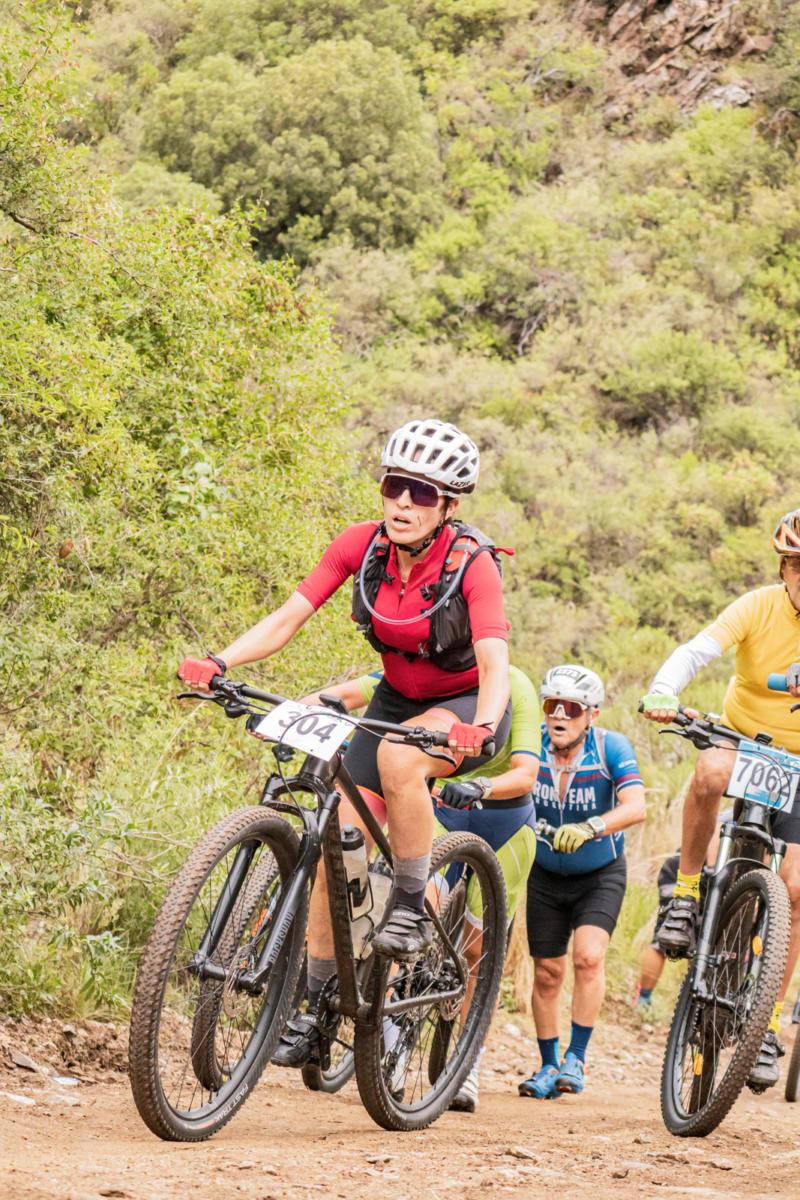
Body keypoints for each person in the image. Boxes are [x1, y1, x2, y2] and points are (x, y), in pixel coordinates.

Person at [178, 418, 512, 1068]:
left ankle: (410, 905)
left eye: (422, 492)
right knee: (340, 849)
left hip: (465, 706)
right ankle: (317, 1007)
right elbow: (288, 618)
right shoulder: (363, 546)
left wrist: (481, 722)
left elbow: (494, 661)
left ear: (448, 505)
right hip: (395, 698)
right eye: (394, 487)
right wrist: (219, 662)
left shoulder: (473, 565)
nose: (404, 503)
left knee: (398, 759)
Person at [317, 664, 541, 1111]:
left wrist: (482, 785)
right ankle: (391, 1039)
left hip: (506, 822)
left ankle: (468, 1060)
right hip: (443, 809)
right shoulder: (427, 672)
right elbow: (348, 692)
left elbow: (526, 774)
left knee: (478, 952)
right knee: (414, 910)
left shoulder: (515, 686)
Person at [641, 507, 800, 1089]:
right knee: (709, 770)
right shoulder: (759, 606)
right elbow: (697, 650)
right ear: (784, 569)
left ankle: (768, 1026)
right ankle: (686, 894)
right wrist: (664, 689)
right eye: (799, 566)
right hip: (746, 741)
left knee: (797, 888)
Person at [518, 664, 646, 1100]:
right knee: (547, 973)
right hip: (544, 874)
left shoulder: (610, 747)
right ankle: (548, 1064)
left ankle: (576, 1057)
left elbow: (636, 805)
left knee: (588, 958)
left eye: (570, 708)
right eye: (551, 705)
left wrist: (592, 826)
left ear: (592, 714)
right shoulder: (530, 744)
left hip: (599, 873)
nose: (558, 715)